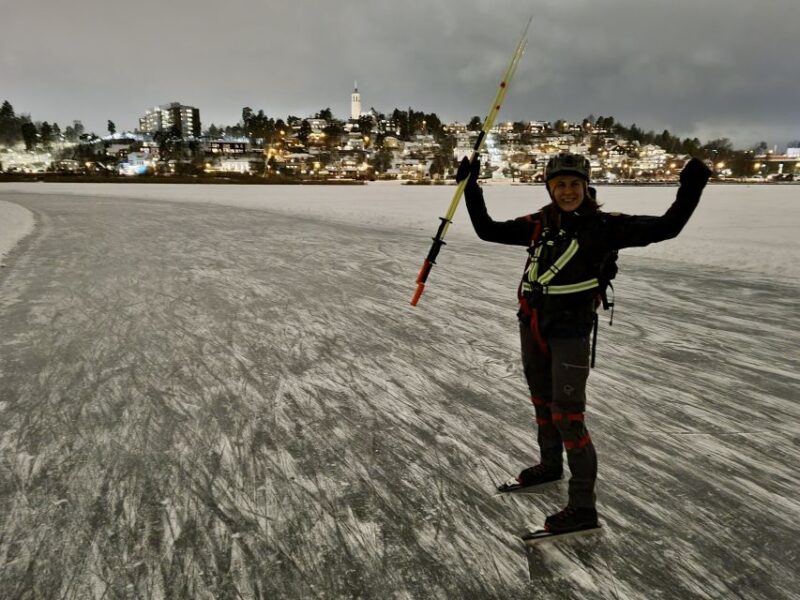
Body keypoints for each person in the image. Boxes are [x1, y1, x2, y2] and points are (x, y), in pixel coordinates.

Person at [456, 152, 712, 533]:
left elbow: (667, 226)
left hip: (571, 333)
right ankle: (549, 465)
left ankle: (582, 507)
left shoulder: (605, 226)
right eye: (559, 184)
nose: (568, 191)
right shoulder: (539, 223)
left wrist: (692, 185)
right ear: (549, 187)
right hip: (533, 324)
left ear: (585, 185)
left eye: (574, 183)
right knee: (542, 402)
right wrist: (470, 187)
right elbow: (487, 229)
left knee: (568, 417)